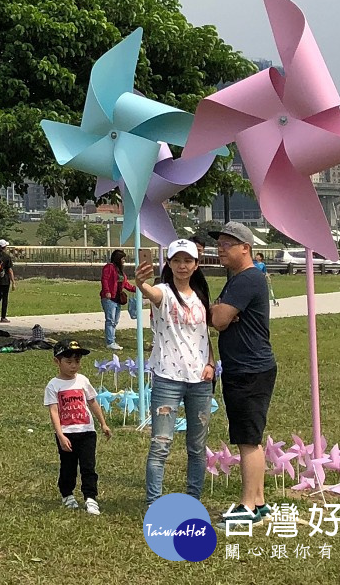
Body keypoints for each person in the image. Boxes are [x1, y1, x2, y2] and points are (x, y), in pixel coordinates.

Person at [135, 240, 215, 509]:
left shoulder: (200, 296)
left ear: (196, 264)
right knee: (161, 444)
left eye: (188, 261)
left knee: (197, 445)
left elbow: (204, 336)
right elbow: (152, 294)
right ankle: (153, 502)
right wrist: (141, 284)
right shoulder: (164, 291)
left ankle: (194, 499)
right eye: (177, 260)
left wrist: (211, 364)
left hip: (200, 380)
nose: (182, 266)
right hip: (168, 377)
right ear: (168, 263)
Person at [209, 222, 277, 526]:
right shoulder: (239, 279)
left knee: (247, 439)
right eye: (219, 244)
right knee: (250, 438)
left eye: (226, 244)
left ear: (245, 248)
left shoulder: (247, 279)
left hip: (249, 369)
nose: (220, 249)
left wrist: (221, 311)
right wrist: (222, 313)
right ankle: (259, 502)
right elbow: (222, 318)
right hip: (248, 367)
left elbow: (219, 318)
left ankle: (248, 506)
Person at [45, 339, 111, 515]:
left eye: (77, 361)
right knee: (68, 467)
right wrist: (60, 435)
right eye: (69, 362)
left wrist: (103, 423)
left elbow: (92, 401)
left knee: (88, 466)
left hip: (87, 432)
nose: (74, 366)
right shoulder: (53, 385)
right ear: (57, 362)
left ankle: (91, 498)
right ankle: (67, 494)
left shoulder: (82, 380)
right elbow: (54, 411)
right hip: (67, 433)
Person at [99, 249, 134, 351]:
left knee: (115, 320)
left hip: (117, 298)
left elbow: (125, 284)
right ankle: (110, 341)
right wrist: (107, 291)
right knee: (110, 320)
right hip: (109, 298)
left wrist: (136, 289)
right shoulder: (109, 267)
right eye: (123, 258)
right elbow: (104, 279)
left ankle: (112, 339)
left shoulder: (120, 271)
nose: (124, 260)